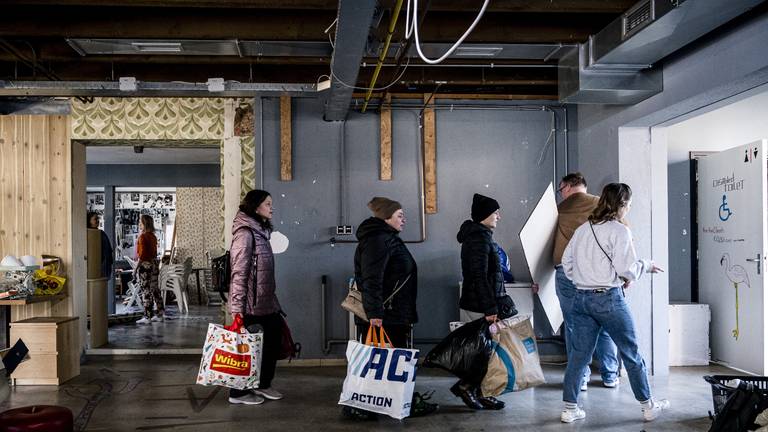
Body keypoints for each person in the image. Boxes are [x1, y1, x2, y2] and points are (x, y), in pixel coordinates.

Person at [559, 183, 669, 423]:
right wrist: (646, 265)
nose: (629, 208)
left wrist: (584, 279)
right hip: (608, 299)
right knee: (631, 353)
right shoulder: (619, 231)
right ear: (622, 204)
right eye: (628, 204)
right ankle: (648, 406)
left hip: (581, 299)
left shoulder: (582, 229)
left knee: (579, 357)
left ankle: (569, 409)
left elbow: (566, 263)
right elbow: (627, 270)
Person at [342, 197, 438, 420]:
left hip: (393, 313)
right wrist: (375, 314)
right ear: (386, 217)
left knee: (388, 363)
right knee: (390, 362)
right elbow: (372, 279)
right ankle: (383, 404)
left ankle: (394, 402)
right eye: (399, 215)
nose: (404, 219)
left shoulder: (385, 238)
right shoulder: (378, 240)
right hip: (387, 315)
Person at [553, 173, 619, 391]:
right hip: (600, 275)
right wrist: (624, 274)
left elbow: (543, 245)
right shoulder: (601, 204)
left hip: (567, 273)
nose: (561, 193)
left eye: (561, 188)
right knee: (605, 326)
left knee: (573, 325)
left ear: (570, 186)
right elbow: (622, 233)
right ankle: (610, 375)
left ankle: (581, 377)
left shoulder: (557, 211)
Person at [454, 193, 517, 411]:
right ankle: (466, 387)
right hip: (480, 305)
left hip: (483, 303)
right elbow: (479, 276)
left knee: (487, 352)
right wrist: (490, 308)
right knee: (482, 353)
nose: (498, 216)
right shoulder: (478, 239)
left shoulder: (482, 236)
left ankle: (482, 392)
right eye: (494, 212)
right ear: (484, 215)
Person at [228, 189, 284, 405]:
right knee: (244, 348)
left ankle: (262, 384)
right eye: (268, 204)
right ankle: (237, 393)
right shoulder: (245, 234)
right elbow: (239, 273)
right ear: (256, 206)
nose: (272, 207)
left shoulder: (260, 232)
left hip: (265, 302)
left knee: (272, 339)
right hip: (249, 304)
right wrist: (237, 309)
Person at [135, 214, 163, 324]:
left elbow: (142, 256)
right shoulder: (153, 236)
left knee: (146, 291)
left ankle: (148, 317)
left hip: (146, 266)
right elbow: (153, 253)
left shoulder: (143, 237)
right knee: (155, 289)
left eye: (140, 223)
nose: (139, 224)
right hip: (154, 265)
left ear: (144, 224)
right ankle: (160, 314)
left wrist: (135, 269)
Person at [87, 212, 114, 280]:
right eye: (95, 219)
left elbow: (107, 251)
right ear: (89, 221)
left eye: (98, 219)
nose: (98, 221)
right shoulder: (89, 233)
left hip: (102, 265)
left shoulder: (101, 234)